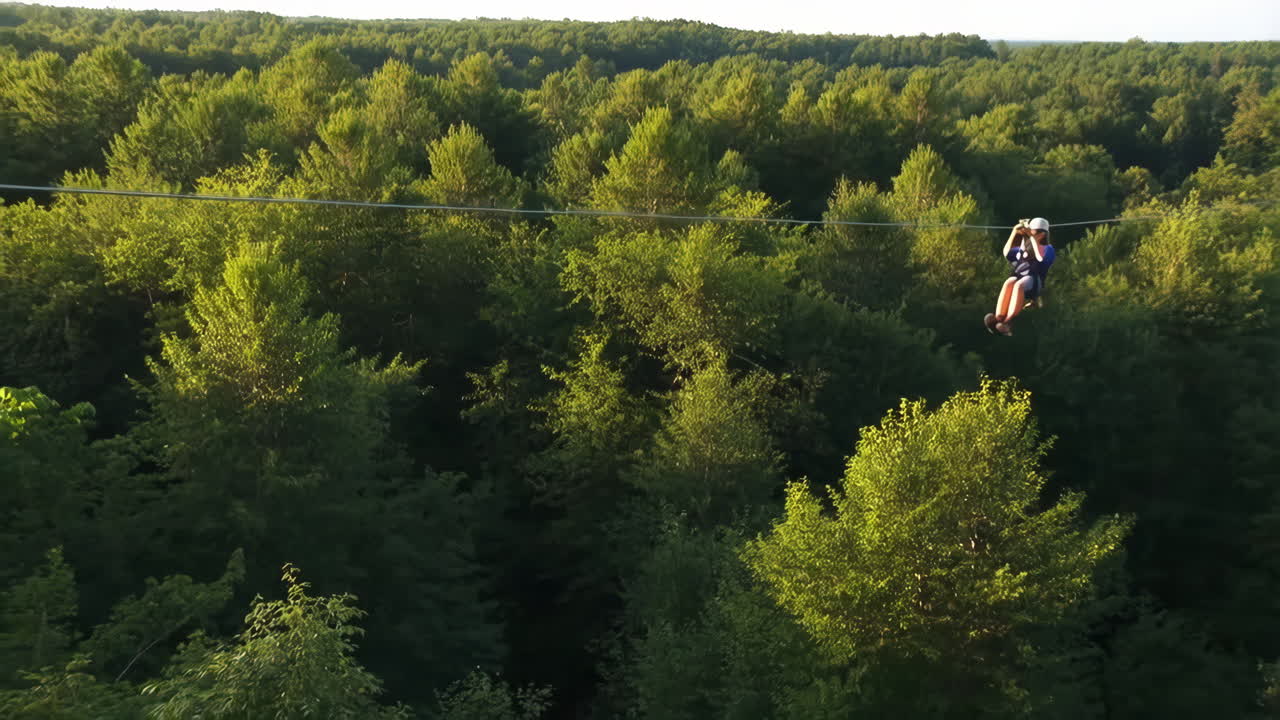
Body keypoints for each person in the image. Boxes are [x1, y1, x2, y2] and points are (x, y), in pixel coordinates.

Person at [985, 217, 1054, 336]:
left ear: (1042, 234)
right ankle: (999, 317)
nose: (1029, 233)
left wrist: (1031, 238)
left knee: (1018, 285)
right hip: (1020, 275)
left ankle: (1008, 321)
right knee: (1009, 282)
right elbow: (1007, 253)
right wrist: (1014, 232)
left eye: (1033, 232)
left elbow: (1040, 258)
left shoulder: (1048, 249)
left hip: (1034, 281)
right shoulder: (1025, 248)